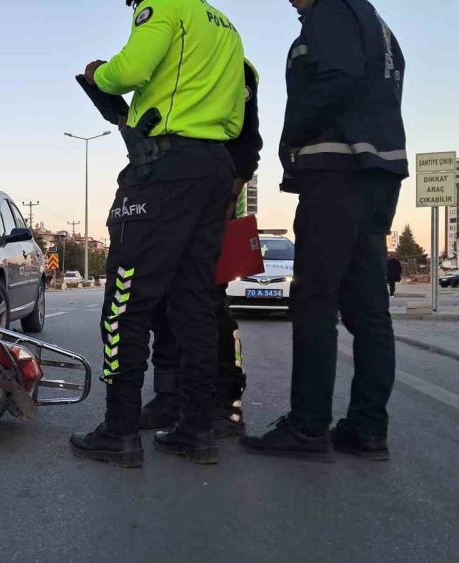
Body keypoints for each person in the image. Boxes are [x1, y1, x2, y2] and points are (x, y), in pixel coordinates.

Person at [70, 0, 245, 467]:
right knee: (194, 303)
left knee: (125, 300)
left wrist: (98, 74)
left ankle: (120, 429)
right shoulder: (225, 25)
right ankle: (195, 429)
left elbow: (130, 70)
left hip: (164, 168)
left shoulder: (163, 3)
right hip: (214, 168)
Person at [241, 0, 407, 462]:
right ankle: (367, 428)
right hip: (376, 173)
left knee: (314, 301)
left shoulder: (332, 10)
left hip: (338, 172)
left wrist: (290, 135)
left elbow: (338, 80)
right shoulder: (375, 22)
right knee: (369, 308)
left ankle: (308, 427)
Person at [142, 59, 263, 438]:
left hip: (214, 205)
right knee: (162, 304)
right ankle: (169, 396)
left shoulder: (233, 63)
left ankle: (225, 402)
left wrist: (230, 193)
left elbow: (247, 141)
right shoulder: (163, 57)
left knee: (207, 306)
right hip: (166, 200)